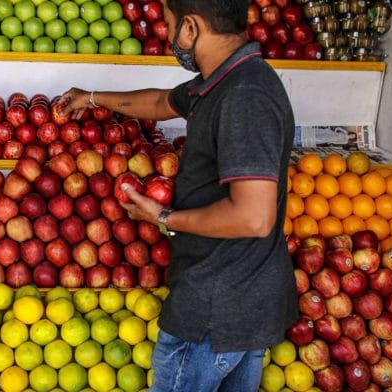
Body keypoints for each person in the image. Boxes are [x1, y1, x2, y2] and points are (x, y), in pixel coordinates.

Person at [58, 0, 298, 390]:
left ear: (190, 27)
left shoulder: (244, 97)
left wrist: (164, 218)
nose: (169, 38)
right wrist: (93, 97)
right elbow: (159, 103)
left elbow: (253, 217)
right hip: (238, 300)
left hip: (215, 305)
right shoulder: (221, 81)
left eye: (169, 26)